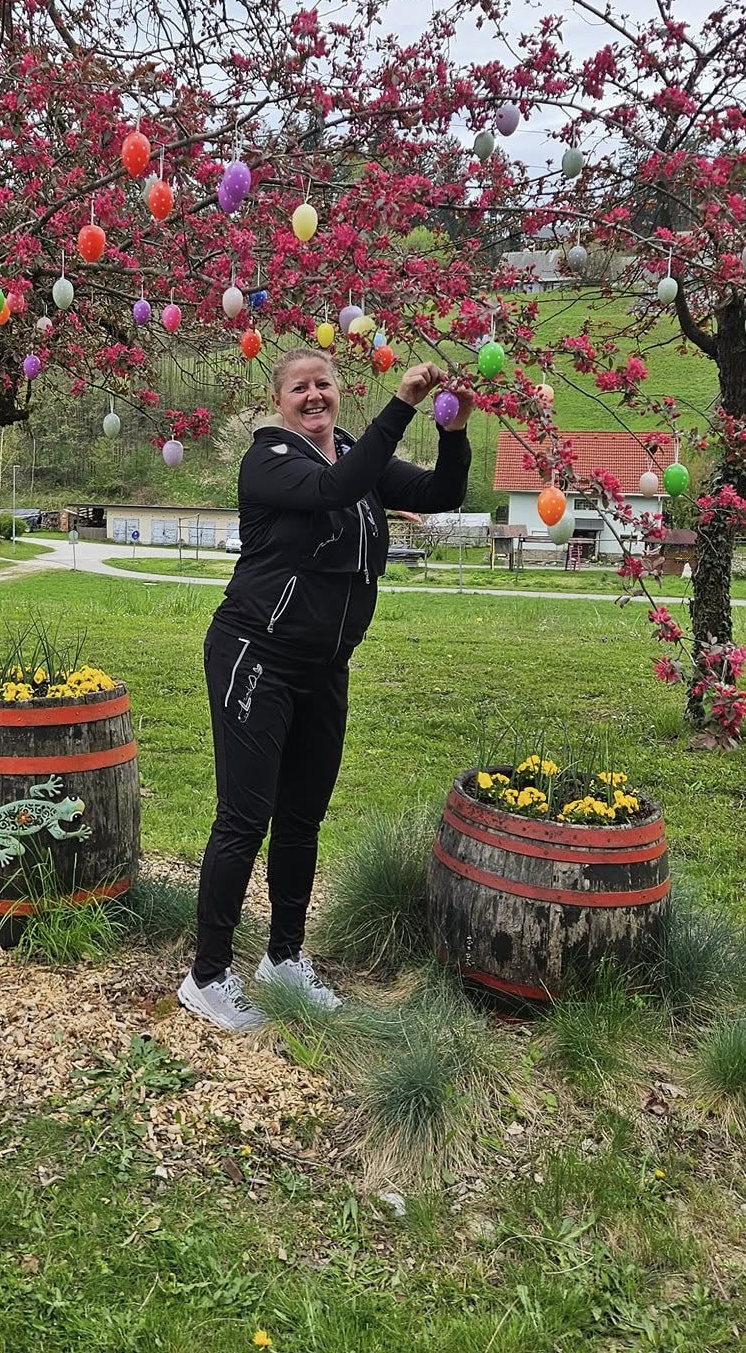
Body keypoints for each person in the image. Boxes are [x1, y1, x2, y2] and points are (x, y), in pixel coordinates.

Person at [178, 346, 472, 1032]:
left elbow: (440, 495)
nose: (314, 397)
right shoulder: (270, 460)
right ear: (278, 402)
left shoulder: (352, 455)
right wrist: (401, 407)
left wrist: (452, 429)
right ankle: (208, 975)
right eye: (299, 388)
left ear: (339, 392)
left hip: (324, 666)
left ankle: (283, 958)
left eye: (324, 385)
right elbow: (334, 494)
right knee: (244, 817)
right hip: (256, 655)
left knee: (302, 817)